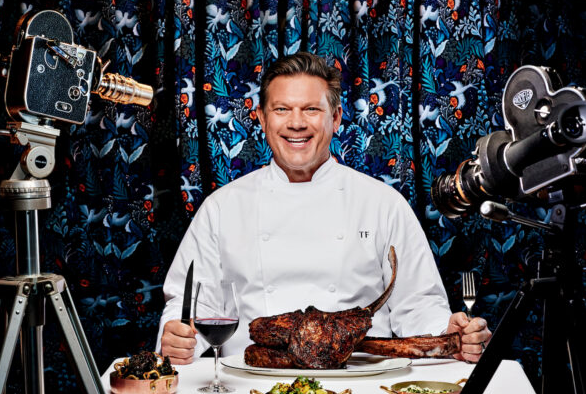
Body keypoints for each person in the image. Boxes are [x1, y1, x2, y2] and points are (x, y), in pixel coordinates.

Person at [156, 52, 492, 364]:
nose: (296, 123)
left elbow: (418, 304)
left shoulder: (382, 204)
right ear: (261, 119)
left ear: (336, 118)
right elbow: (192, 308)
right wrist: (178, 337)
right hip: (249, 389)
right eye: (282, 109)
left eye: (311, 110)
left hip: (361, 389)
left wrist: (450, 330)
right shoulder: (222, 208)